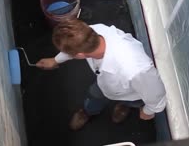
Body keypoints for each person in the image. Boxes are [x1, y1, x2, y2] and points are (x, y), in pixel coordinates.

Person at [36, 19, 167, 131]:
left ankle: (124, 106)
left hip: (132, 93)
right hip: (105, 84)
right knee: (95, 94)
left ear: (80, 55)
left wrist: (148, 111)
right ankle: (88, 112)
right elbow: (74, 46)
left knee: (132, 102)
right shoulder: (91, 33)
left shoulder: (136, 69)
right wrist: (55, 60)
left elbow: (156, 95)